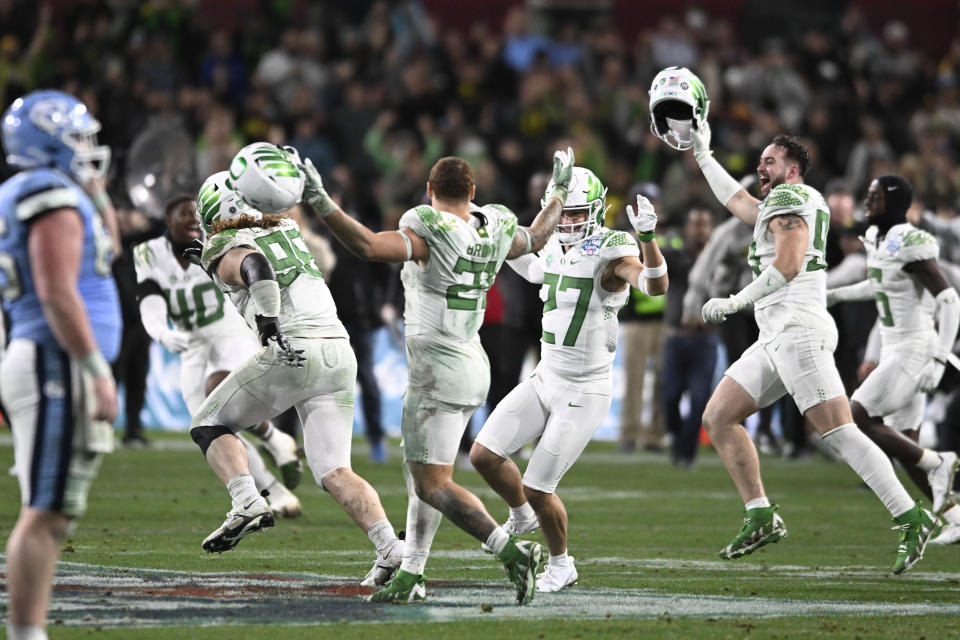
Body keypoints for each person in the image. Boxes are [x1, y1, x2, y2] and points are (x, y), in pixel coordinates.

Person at [652, 65, 935, 574]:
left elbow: (788, 263)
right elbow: (737, 201)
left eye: (771, 161)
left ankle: (910, 514)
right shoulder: (786, 199)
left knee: (841, 432)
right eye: (760, 161)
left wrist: (734, 301)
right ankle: (760, 513)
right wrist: (702, 154)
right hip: (780, 333)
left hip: (798, 331)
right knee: (719, 417)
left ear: (794, 168)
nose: (762, 169)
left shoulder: (790, 197)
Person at [295, 148, 576, 604]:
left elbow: (367, 245)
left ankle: (509, 552)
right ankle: (413, 570)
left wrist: (321, 200)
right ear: (473, 191)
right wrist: (559, 191)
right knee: (421, 473)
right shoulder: (496, 223)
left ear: (429, 190)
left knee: (432, 483)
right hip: (471, 362)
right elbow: (538, 236)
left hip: (436, 369)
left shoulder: (428, 225)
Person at [186, 144, 402, 591]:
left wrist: (266, 320)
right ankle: (392, 550)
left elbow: (253, 264)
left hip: (293, 349)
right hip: (339, 353)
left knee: (208, 423)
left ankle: (247, 500)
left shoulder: (227, 243)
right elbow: (267, 252)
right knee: (335, 471)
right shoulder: (286, 228)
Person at [469, 167, 668, 592]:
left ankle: (562, 564)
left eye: (578, 214)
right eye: (564, 214)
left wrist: (649, 241)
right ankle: (520, 514)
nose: (570, 222)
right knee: (484, 455)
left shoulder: (611, 246)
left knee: (540, 487)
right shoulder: (556, 246)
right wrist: (488, 225)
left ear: (596, 212)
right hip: (546, 377)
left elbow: (654, 285)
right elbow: (532, 266)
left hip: (585, 388)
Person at [0, 90, 122, 640]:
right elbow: (55, 291)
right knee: (47, 512)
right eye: (76, 136)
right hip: (56, 357)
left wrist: (95, 193)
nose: (87, 148)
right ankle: (27, 634)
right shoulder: (46, 192)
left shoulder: (37, 189)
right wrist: (95, 366)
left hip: (43, 355)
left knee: (48, 510)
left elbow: (107, 250)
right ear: (48, 140)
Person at [133, 190, 303, 517]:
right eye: (183, 213)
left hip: (230, 332)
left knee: (219, 388)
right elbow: (150, 299)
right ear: (168, 220)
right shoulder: (149, 253)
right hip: (193, 345)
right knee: (208, 427)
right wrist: (162, 332)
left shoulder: (216, 242)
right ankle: (272, 490)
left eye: (195, 214)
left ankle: (272, 437)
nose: (191, 219)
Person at [826, 175, 959, 538]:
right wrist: (837, 295)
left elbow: (948, 299)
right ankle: (956, 516)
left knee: (856, 417)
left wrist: (939, 357)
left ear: (895, 202)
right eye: (867, 195)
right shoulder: (878, 239)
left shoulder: (909, 240)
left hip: (915, 349)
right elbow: (879, 285)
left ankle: (938, 461)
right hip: (896, 348)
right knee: (904, 444)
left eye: (875, 196)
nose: (867, 202)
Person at [659, 206, 717, 468]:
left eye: (705, 224)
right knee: (669, 396)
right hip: (675, 337)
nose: (700, 230)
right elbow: (653, 262)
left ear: (712, 229)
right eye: (695, 224)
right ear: (686, 229)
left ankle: (686, 454)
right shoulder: (674, 256)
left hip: (705, 341)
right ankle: (678, 436)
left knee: (698, 400)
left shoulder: (720, 263)